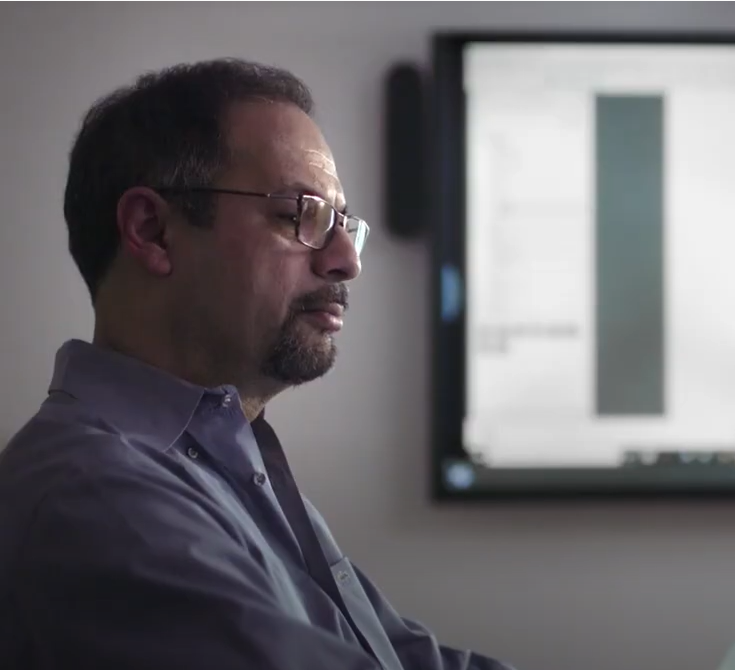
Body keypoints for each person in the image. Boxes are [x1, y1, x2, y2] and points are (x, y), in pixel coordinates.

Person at [0, 58, 515, 670]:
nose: (347, 261)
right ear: (153, 230)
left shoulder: (224, 456)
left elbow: (399, 658)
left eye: (345, 224)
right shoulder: (92, 496)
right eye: (302, 214)